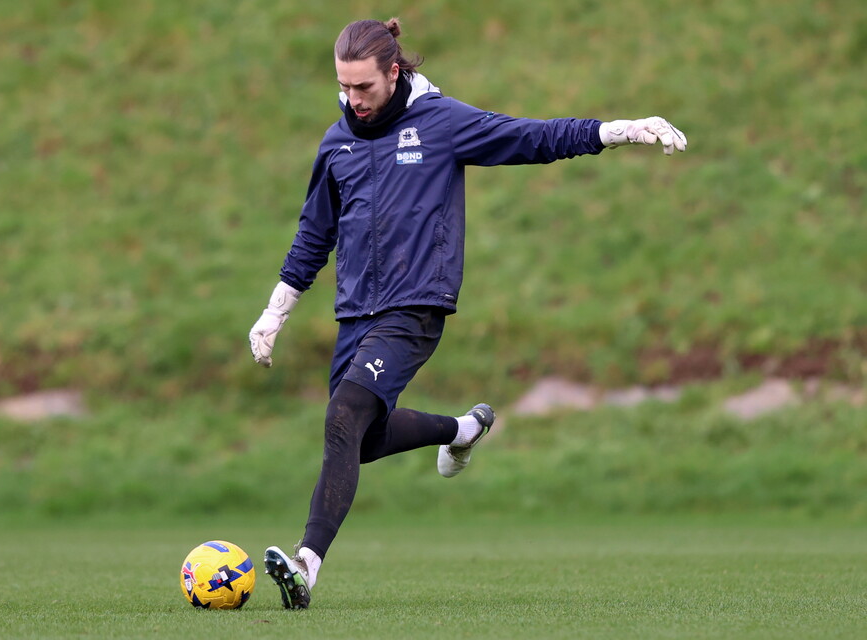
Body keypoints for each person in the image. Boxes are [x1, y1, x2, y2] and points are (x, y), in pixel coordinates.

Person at [248, 17, 686, 610]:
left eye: (364, 87)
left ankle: (306, 565)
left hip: (415, 307)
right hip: (355, 313)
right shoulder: (337, 143)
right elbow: (314, 232)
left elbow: (532, 138)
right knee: (362, 440)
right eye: (343, 87)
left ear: (394, 73)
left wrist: (618, 131)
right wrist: (275, 311)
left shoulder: (441, 123)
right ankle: (461, 430)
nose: (353, 100)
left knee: (343, 416)